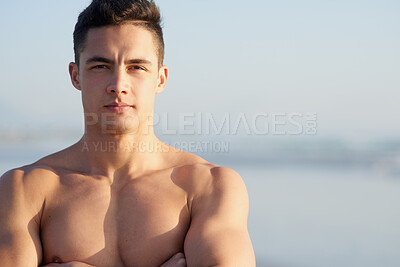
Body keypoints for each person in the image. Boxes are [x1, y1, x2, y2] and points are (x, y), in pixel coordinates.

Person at [0, 0, 255, 266]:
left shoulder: (208, 186)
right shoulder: (23, 189)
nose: (118, 85)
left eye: (136, 67)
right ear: (76, 76)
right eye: (100, 66)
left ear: (160, 78)